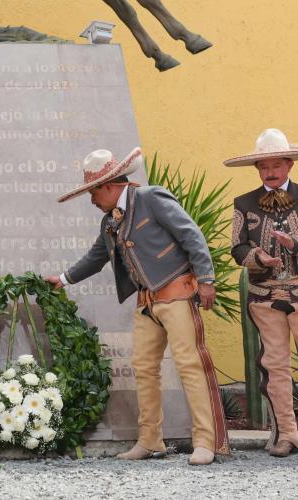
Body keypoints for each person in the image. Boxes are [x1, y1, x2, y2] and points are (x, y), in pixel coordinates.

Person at [46, 148, 229, 465]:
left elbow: (192, 235)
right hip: (146, 302)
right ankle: (150, 440)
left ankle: (206, 442)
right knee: (143, 368)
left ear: (109, 185)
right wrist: (63, 278)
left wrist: (207, 279)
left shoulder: (150, 197)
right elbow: (96, 257)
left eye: (92, 192)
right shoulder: (109, 221)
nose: (91, 199)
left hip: (177, 293)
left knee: (188, 364)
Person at [225, 128, 298, 457]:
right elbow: (236, 248)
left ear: (288, 166)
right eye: (263, 167)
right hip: (264, 296)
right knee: (275, 364)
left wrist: (293, 246)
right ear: (257, 169)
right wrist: (257, 257)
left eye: (276, 166)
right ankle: (287, 434)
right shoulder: (243, 203)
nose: (270, 172)